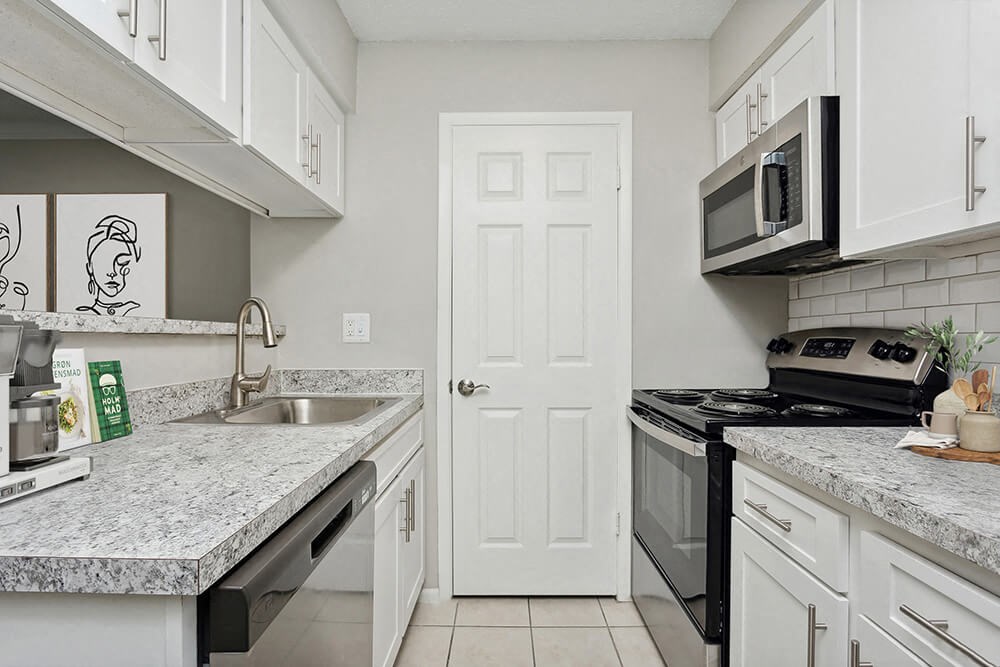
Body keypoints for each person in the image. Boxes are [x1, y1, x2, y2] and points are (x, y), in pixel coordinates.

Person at [77, 215, 142, 316]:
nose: (112, 272)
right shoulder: (82, 315)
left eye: (121, 263)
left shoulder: (136, 310)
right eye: (103, 263)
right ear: (90, 267)